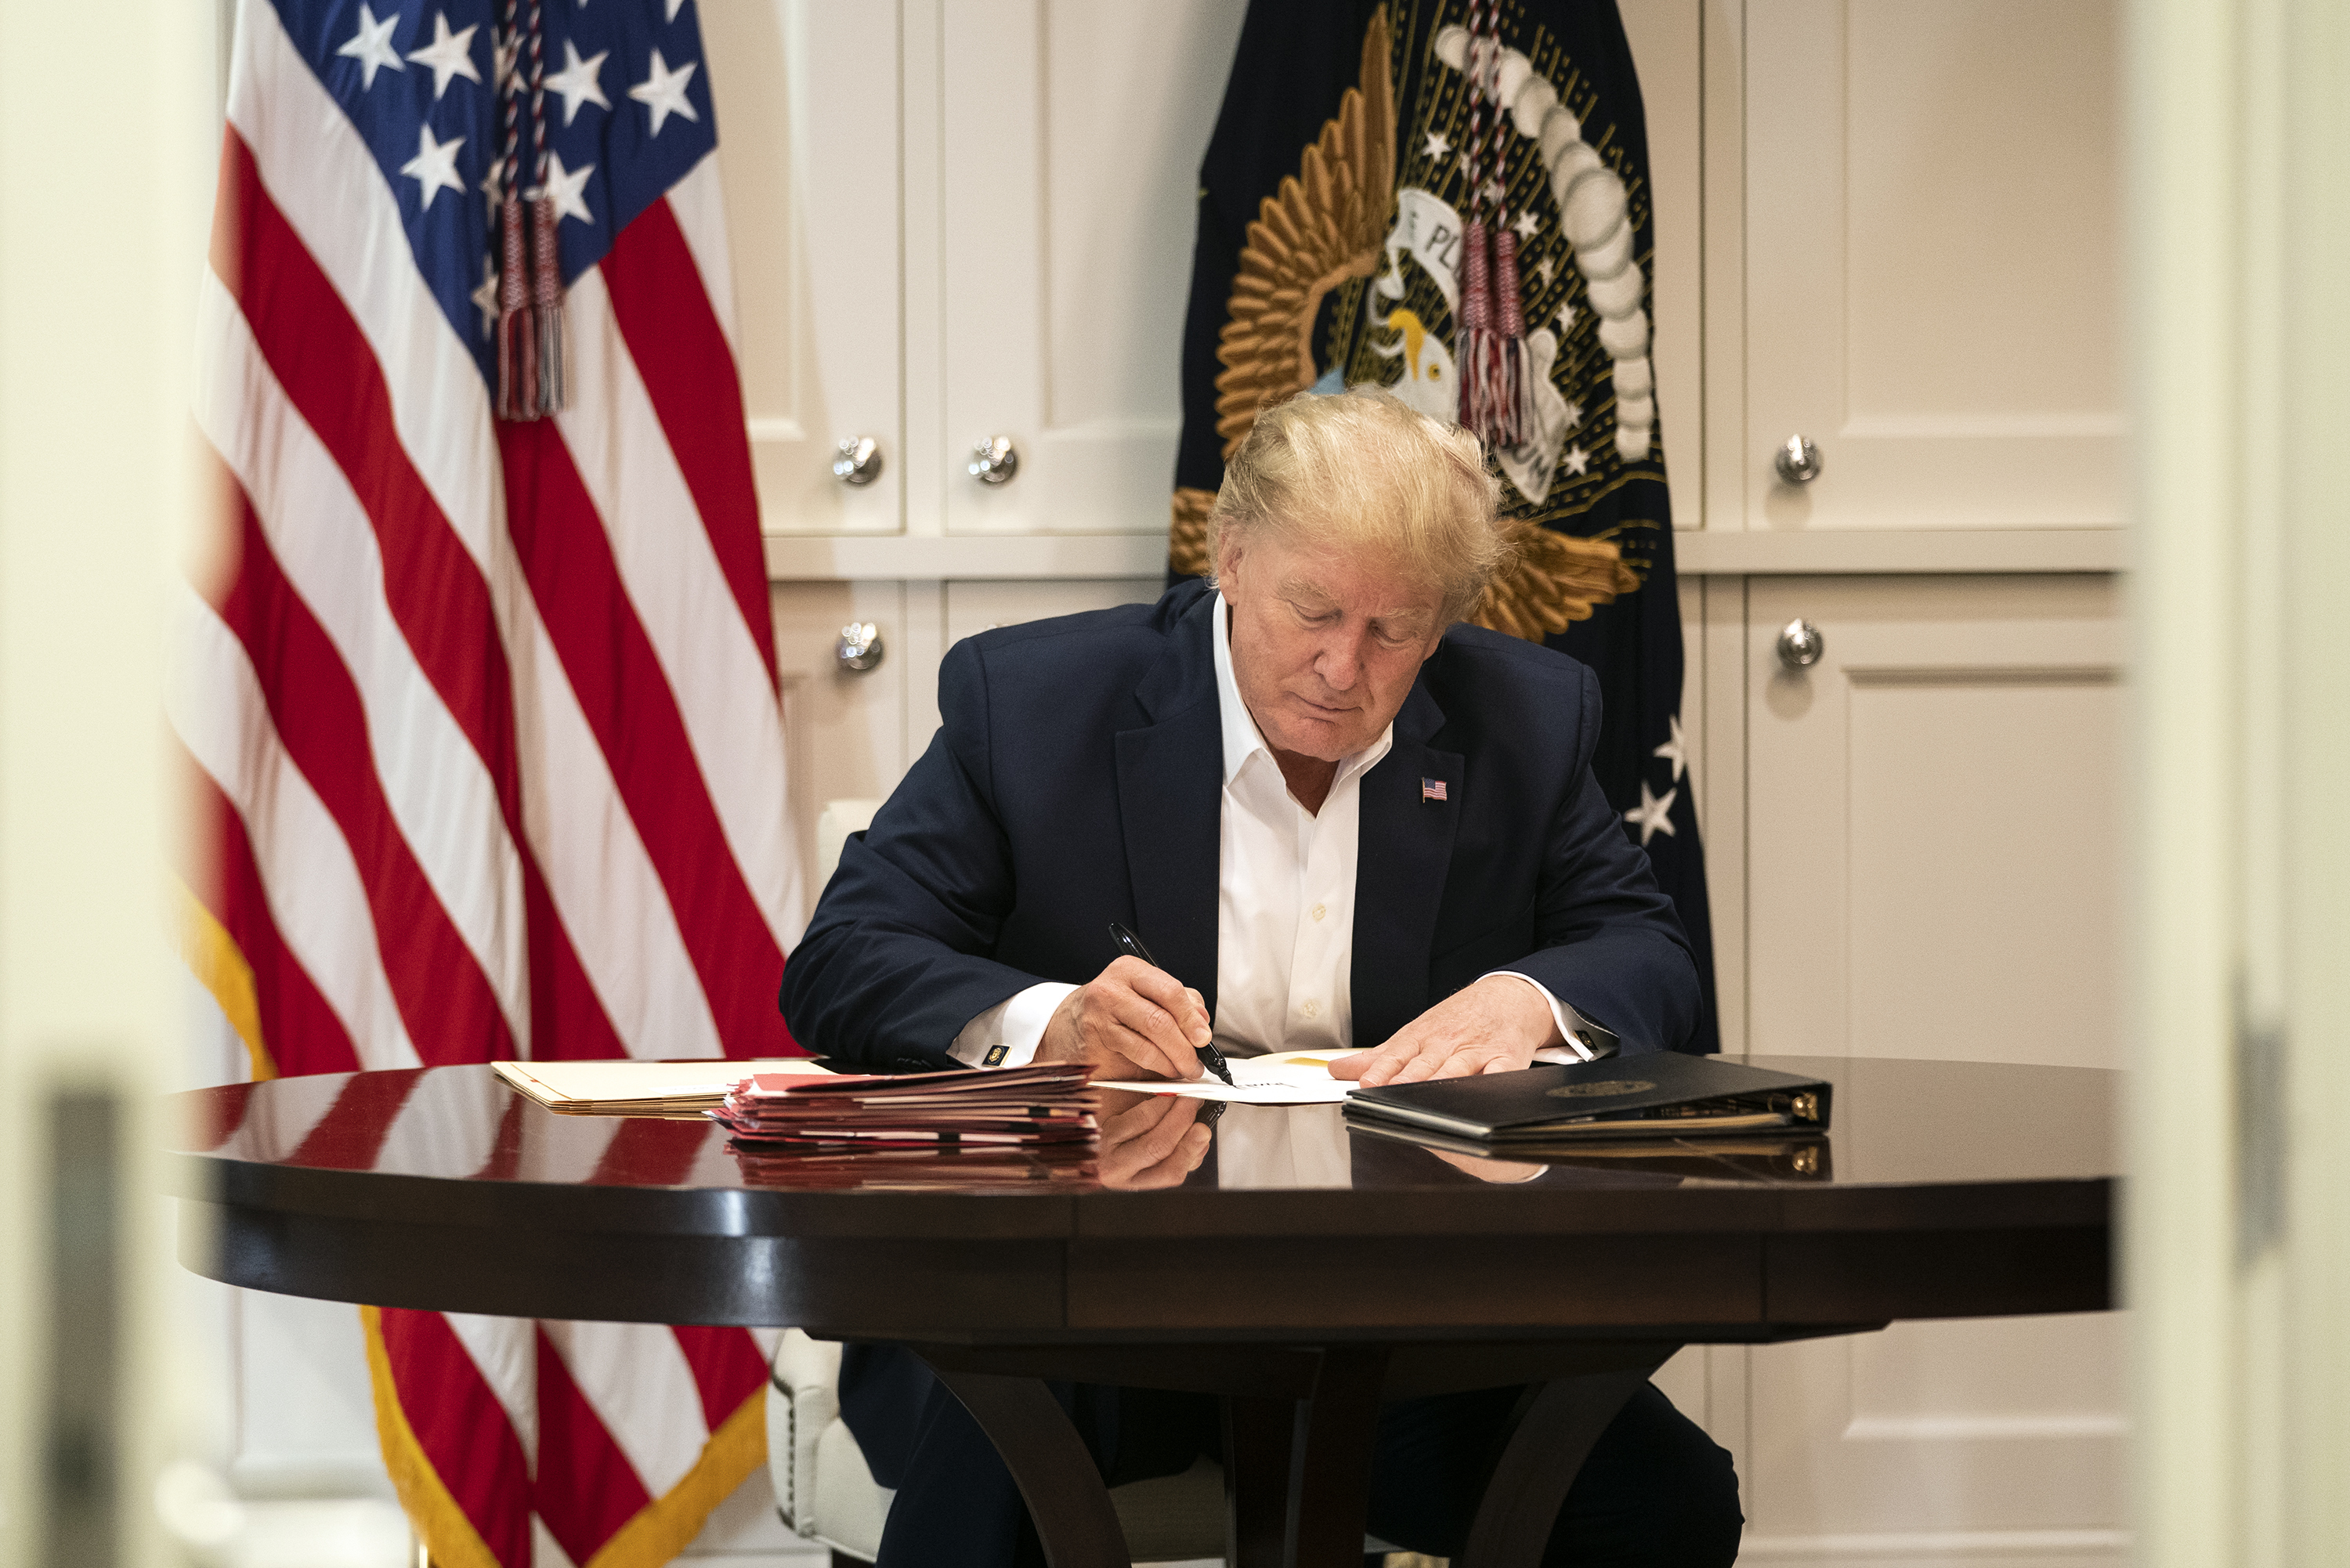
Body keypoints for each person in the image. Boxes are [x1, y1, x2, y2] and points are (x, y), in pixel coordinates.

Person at [779, 388, 1739, 1567]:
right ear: (1231, 558)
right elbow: (844, 958)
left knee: (1667, 1500)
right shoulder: (1032, 703)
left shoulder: (1527, 722)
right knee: (1003, 1433)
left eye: (1394, 630)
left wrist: (1528, 998)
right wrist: (1051, 1021)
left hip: (1393, 1322)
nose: (1344, 666)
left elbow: (1647, 953)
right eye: (1314, 611)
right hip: (1080, 1299)